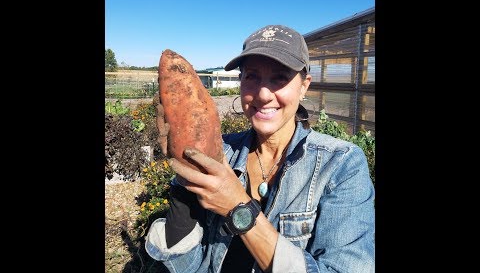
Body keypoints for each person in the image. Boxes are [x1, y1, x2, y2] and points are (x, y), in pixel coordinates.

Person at [145, 25, 375, 272]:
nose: (264, 94)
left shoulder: (340, 165)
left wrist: (238, 207)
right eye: (252, 76)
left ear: (304, 86)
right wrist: (186, 185)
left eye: (280, 78)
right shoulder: (220, 153)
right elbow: (188, 266)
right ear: (241, 82)